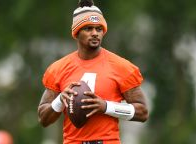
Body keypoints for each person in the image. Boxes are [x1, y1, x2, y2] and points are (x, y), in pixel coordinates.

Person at [38, 0, 148, 144]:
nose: (95, 33)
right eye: (88, 28)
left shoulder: (121, 67)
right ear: (77, 32)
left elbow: (142, 112)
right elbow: (43, 119)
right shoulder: (58, 68)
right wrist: (60, 100)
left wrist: (106, 106)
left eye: (99, 28)